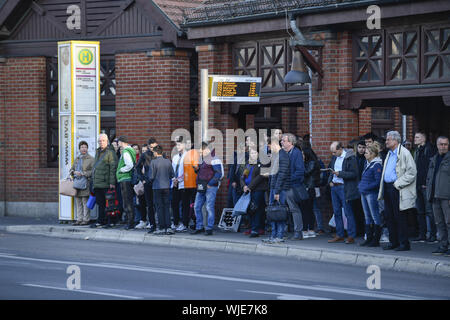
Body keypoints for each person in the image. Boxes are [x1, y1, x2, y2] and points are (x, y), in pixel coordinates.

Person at [378, 131, 417, 251]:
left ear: (396, 141)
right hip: (388, 187)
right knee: (389, 216)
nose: (386, 142)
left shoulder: (404, 153)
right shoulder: (389, 153)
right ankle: (393, 241)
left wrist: (397, 184)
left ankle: (404, 243)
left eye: (388, 139)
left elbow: (412, 172)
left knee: (399, 217)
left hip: (397, 188)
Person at [327, 141, 359, 244]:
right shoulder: (335, 157)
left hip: (344, 187)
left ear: (340, 149)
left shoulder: (350, 157)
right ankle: (339, 234)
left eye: (334, 152)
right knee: (336, 212)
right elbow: (330, 170)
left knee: (347, 212)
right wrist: (330, 181)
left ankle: (351, 235)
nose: (333, 154)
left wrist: (340, 174)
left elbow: (354, 174)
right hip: (335, 187)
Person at [191, 142, 224, 236]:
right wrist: (196, 169)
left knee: (209, 207)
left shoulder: (214, 158)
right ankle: (199, 226)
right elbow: (202, 172)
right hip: (201, 186)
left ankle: (209, 228)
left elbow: (219, 173)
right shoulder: (203, 159)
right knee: (197, 206)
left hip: (210, 187)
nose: (199, 153)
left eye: (200, 151)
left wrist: (210, 183)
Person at [426, 136, 450, 256]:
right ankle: (443, 245)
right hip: (435, 196)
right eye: (441, 144)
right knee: (439, 222)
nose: (443, 146)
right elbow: (430, 177)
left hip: (446, 197)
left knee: (449, 222)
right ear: (437, 145)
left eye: (445, 144)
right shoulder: (434, 159)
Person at [412, 132, 437, 243]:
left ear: (423, 139)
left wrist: (428, 183)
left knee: (429, 211)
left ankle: (432, 235)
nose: (414, 139)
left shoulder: (429, 149)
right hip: (417, 184)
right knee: (420, 211)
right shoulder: (417, 150)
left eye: (417, 137)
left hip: (426, 185)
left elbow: (430, 168)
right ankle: (422, 235)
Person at [282, 133, 308, 241]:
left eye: (284, 140)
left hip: (292, 186)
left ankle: (298, 232)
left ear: (290, 142)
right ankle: (288, 230)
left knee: (294, 209)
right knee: (287, 209)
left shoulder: (296, 153)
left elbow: (300, 171)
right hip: (284, 185)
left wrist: (288, 179)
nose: (281, 142)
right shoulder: (283, 153)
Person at [263, 136, 289, 243]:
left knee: (279, 212)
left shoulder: (282, 156)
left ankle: (279, 235)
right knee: (272, 213)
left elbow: (282, 175)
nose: (268, 148)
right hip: (274, 188)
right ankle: (273, 235)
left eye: (269, 146)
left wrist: (277, 191)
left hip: (280, 189)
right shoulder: (276, 156)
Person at [240, 148, 269, 238]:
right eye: (251, 153)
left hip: (258, 189)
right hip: (248, 190)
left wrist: (249, 187)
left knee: (256, 209)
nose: (252, 154)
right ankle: (253, 227)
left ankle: (256, 229)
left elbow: (260, 176)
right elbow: (242, 176)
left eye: (254, 153)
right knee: (250, 209)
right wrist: (243, 186)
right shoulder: (248, 165)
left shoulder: (262, 163)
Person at [358, 145, 383, 247]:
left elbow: (378, 181)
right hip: (364, 193)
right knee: (367, 216)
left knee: (375, 216)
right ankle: (369, 238)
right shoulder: (368, 164)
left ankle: (375, 240)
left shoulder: (376, 165)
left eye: (367, 153)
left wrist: (366, 187)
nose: (364, 154)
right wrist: (361, 186)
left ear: (372, 154)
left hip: (371, 194)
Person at [91, 133, 118, 228]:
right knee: (100, 204)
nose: (101, 142)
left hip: (106, 182)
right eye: (100, 141)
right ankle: (100, 221)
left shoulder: (110, 152)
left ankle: (110, 221)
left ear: (107, 141)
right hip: (98, 183)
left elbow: (113, 168)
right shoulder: (97, 152)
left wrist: (112, 182)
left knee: (109, 204)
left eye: (103, 141)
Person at [149, 145, 175, 235]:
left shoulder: (153, 162)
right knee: (167, 207)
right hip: (167, 186)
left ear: (155, 152)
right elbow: (172, 174)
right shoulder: (168, 161)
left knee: (159, 208)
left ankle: (161, 227)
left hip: (157, 187)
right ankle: (168, 227)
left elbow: (151, 176)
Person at [70, 141, 95, 225]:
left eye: (85, 147)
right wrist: (74, 172)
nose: (83, 149)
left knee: (85, 202)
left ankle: (86, 219)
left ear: (87, 148)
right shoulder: (77, 159)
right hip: (77, 183)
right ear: (79, 149)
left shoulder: (91, 159)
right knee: (78, 202)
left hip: (85, 183)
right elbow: (71, 169)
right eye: (82, 147)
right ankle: (79, 219)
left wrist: (84, 173)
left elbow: (93, 171)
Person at [136, 137, 158, 232]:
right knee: (149, 205)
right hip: (148, 183)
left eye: (154, 147)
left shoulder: (160, 154)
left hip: (158, 183)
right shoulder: (145, 155)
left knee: (158, 204)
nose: (152, 149)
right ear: (148, 146)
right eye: (151, 147)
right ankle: (152, 224)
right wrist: (143, 179)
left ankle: (160, 224)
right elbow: (137, 168)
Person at [116, 136, 137, 230]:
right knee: (128, 201)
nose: (117, 143)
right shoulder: (130, 150)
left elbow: (129, 165)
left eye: (118, 142)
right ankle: (130, 222)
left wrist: (121, 170)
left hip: (125, 179)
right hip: (127, 179)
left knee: (127, 202)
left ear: (122, 142)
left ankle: (130, 223)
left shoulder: (125, 151)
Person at [302, 146, 321, 238]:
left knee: (308, 209)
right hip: (307, 187)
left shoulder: (312, 163)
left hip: (309, 188)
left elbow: (306, 172)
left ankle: (308, 229)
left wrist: (300, 164)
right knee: (307, 209)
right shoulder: (309, 163)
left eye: (302, 154)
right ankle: (308, 229)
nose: (301, 156)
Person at [171, 136, 188, 232]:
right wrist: (174, 179)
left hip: (184, 183)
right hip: (175, 183)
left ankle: (184, 223)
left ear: (185, 145)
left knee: (185, 204)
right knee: (174, 203)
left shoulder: (187, 156)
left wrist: (179, 179)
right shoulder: (175, 157)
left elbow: (187, 171)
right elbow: (173, 170)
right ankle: (175, 222)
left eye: (179, 144)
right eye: (176, 144)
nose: (177, 146)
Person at [182, 139, 199, 230]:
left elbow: (196, 167)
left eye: (189, 143)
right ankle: (186, 222)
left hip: (193, 184)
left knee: (193, 204)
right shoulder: (186, 154)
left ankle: (195, 222)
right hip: (186, 183)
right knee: (187, 205)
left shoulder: (194, 153)